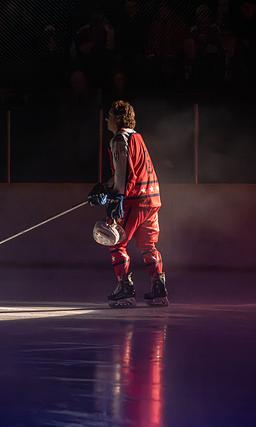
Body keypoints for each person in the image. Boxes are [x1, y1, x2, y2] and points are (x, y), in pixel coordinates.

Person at [88, 100, 167, 308]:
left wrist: (117, 197)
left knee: (115, 241)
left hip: (135, 199)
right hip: (152, 197)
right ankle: (159, 289)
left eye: (110, 115)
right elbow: (131, 171)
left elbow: (124, 173)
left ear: (117, 118)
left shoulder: (119, 139)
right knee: (148, 245)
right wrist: (104, 186)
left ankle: (125, 289)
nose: (107, 119)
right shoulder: (136, 137)